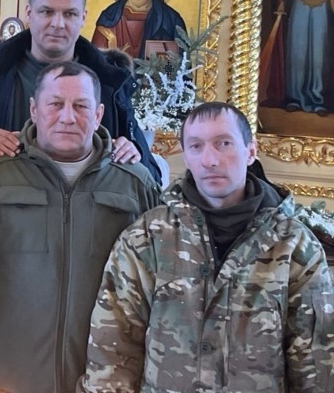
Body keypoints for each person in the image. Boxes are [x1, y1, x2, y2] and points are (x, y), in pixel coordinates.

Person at [0, 61, 161, 393]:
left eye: (81, 106)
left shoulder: (134, 183)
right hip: (7, 375)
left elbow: (159, 282)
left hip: (107, 378)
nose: (67, 117)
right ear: (34, 110)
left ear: (98, 115)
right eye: (55, 104)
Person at [79, 101, 334, 392]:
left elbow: (316, 365)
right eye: (196, 146)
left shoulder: (294, 246)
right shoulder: (147, 237)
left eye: (223, 143)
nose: (210, 160)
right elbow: (113, 350)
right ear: (186, 156)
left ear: (251, 151)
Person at [0, 0, 160, 180]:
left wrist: (134, 152)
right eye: (47, 12)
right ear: (29, 13)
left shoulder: (110, 82)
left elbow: (151, 175)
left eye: (69, 14)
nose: (57, 24)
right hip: (2, 196)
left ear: (83, 18)